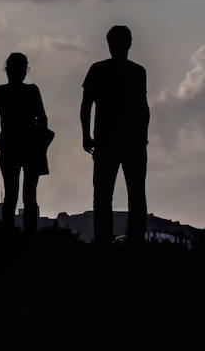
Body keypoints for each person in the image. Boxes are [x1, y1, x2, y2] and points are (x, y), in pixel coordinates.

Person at [82, 25, 151, 246]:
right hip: (127, 142)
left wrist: (85, 135)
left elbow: (85, 106)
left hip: (111, 141)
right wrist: (142, 136)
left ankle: (107, 242)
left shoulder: (100, 69)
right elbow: (143, 108)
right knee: (133, 196)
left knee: (106, 197)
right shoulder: (137, 71)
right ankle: (133, 242)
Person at [0, 52, 50, 236]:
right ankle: (29, 236)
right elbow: (43, 119)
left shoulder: (0, 92)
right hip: (29, 149)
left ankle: (8, 236)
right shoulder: (31, 91)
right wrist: (40, 142)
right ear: (24, 71)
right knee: (29, 195)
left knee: (11, 195)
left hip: (10, 148)